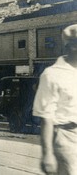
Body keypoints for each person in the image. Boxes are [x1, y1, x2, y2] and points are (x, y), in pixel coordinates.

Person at [33, 24, 77, 175]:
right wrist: (47, 154)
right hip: (65, 138)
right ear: (72, 47)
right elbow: (46, 118)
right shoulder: (52, 75)